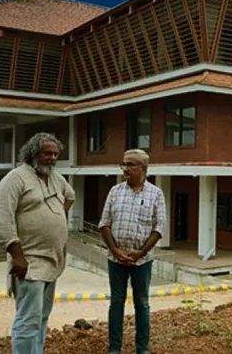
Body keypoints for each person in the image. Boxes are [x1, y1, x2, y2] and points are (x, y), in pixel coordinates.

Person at [0, 132, 75, 354]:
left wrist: (56, 215)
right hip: (29, 260)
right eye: (47, 153)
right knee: (28, 320)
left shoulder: (56, 178)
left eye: (55, 154)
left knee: (42, 316)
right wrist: (17, 255)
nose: (52, 158)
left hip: (53, 260)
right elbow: (3, 220)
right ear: (33, 153)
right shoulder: (15, 179)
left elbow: (70, 196)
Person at [98, 149, 166, 354]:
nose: (125, 169)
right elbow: (104, 223)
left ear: (143, 169)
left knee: (142, 304)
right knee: (116, 302)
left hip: (142, 261)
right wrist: (115, 251)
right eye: (124, 164)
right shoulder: (115, 191)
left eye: (130, 165)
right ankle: (114, 349)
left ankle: (142, 349)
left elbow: (159, 228)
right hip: (115, 259)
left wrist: (141, 252)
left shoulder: (156, 194)